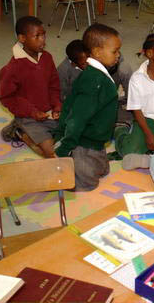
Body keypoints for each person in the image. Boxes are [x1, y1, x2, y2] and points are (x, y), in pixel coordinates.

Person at [54, 23, 122, 191]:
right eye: (114, 51)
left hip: (97, 139)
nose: (118, 55)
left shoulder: (100, 75)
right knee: (87, 184)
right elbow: (77, 118)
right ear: (98, 52)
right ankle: (60, 170)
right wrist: (65, 147)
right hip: (82, 140)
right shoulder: (93, 81)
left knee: (103, 171)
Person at [0, 16, 61, 158]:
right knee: (52, 153)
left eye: (43, 35)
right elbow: (7, 98)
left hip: (49, 113)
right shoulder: (12, 68)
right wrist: (32, 112)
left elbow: (54, 85)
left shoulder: (47, 58)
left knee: (72, 137)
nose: (42, 40)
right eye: (37, 36)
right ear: (22, 38)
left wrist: (56, 105)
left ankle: (27, 132)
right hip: (28, 116)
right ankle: (21, 133)